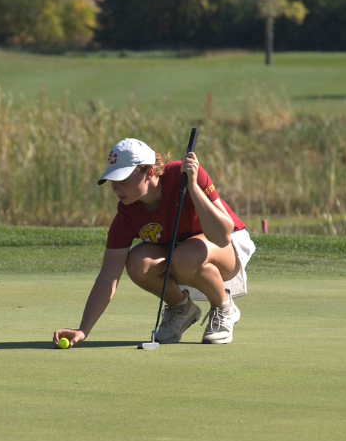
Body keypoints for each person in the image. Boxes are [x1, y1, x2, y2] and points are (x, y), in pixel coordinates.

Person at [52, 138, 255, 348]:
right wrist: (83, 329)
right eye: (113, 180)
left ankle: (224, 307)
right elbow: (107, 278)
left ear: (149, 172)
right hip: (182, 254)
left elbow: (223, 236)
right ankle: (181, 308)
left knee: (185, 256)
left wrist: (193, 187)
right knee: (138, 262)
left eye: (123, 179)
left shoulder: (183, 174)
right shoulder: (127, 214)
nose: (116, 187)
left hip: (227, 249)